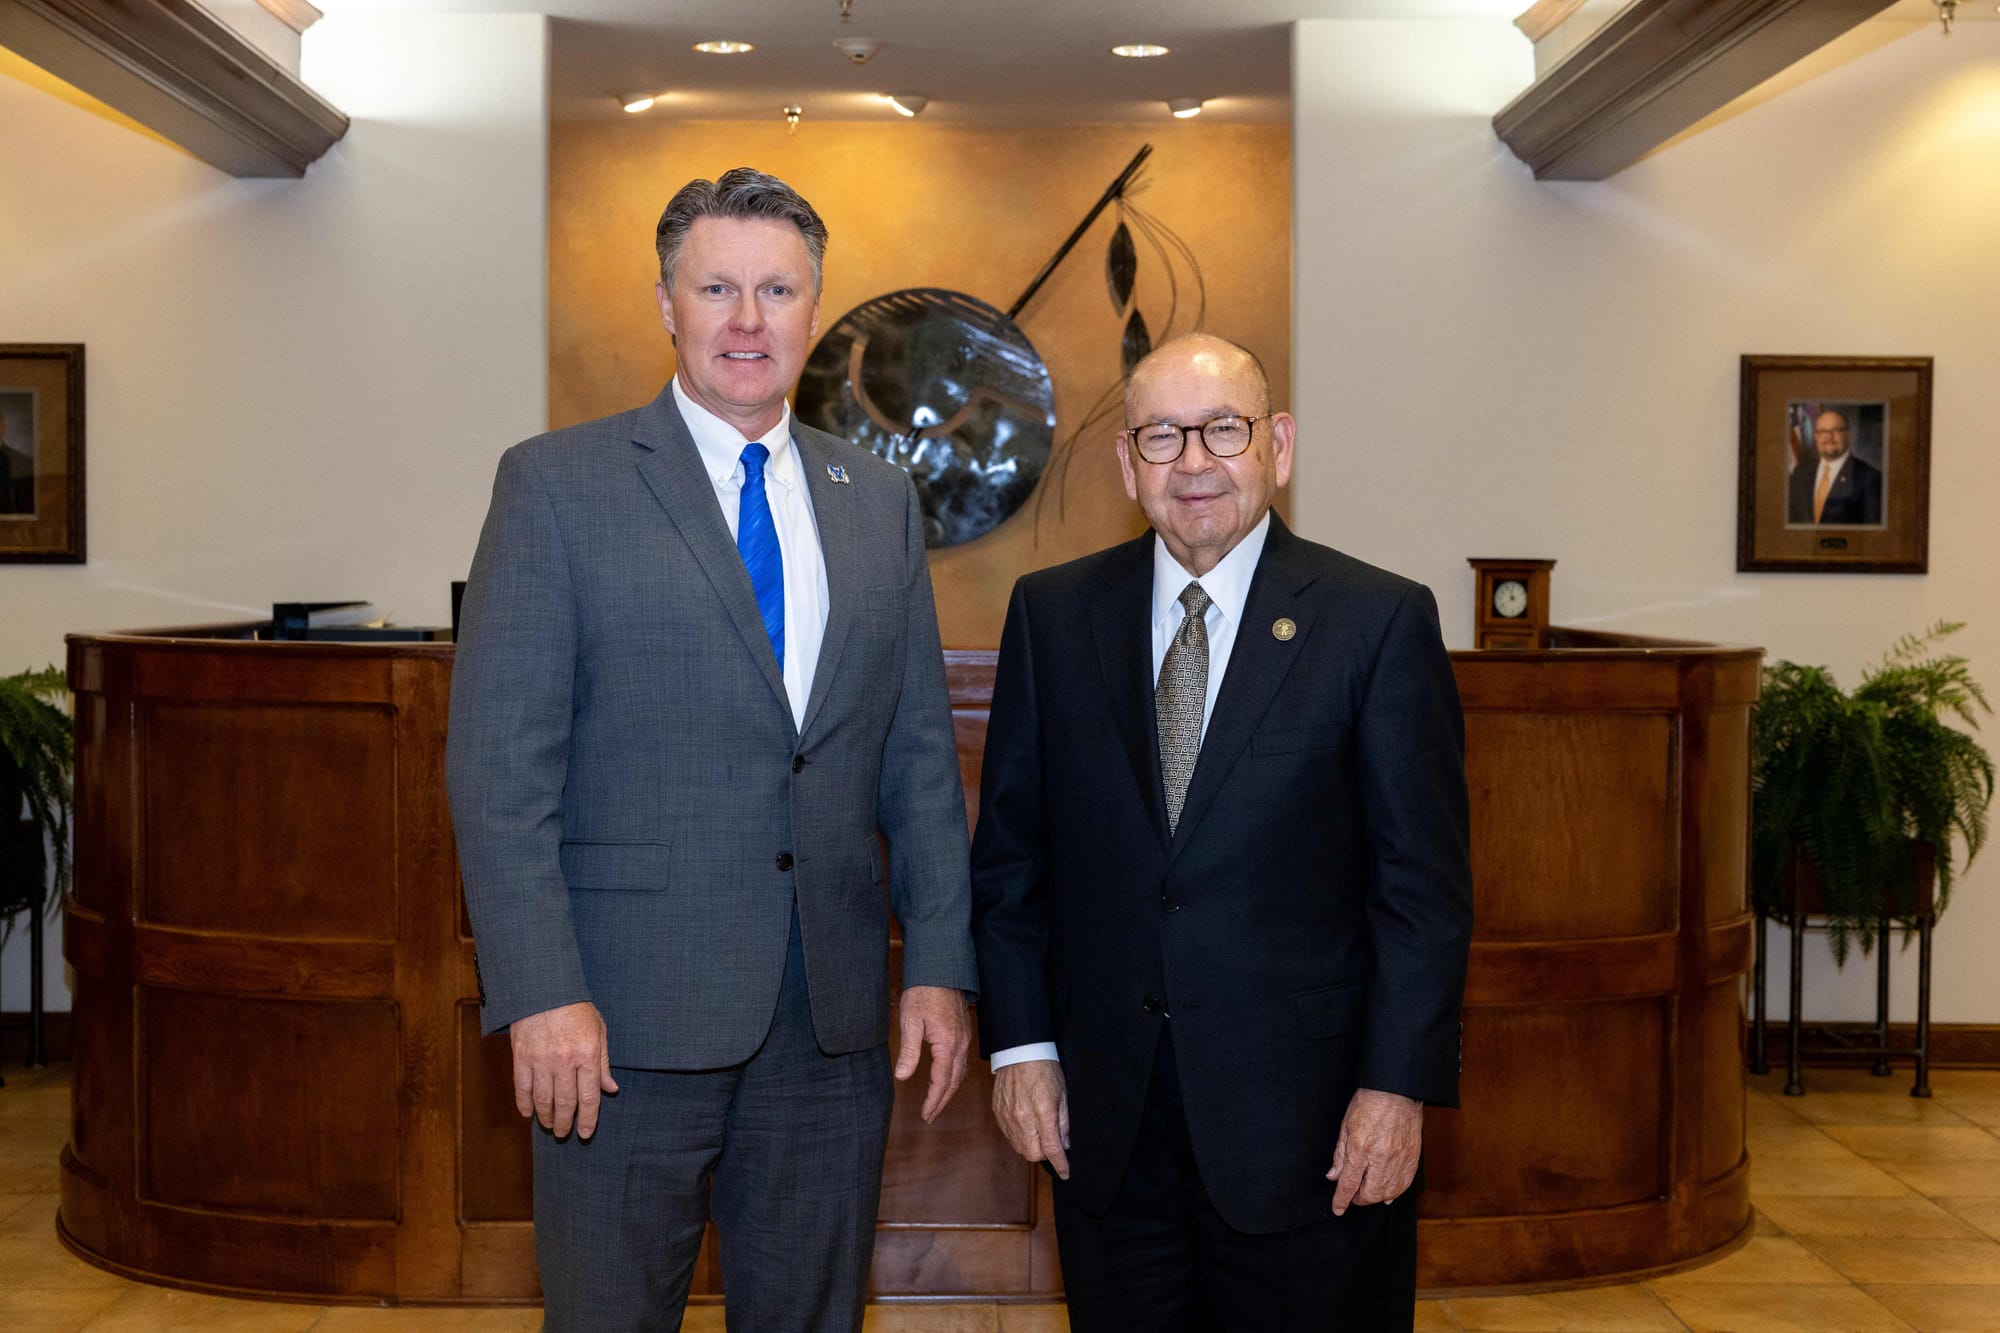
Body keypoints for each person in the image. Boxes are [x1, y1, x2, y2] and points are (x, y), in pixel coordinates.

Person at [447, 167, 977, 1333]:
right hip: (616, 1026)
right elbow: (498, 775)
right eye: (716, 288)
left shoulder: (874, 499)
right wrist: (541, 992)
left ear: (814, 308)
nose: (747, 319)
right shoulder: (556, 485)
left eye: (776, 290)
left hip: (827, 1027)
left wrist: (939, 963)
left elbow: (916, 762)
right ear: (665, 303)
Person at [969, 333, 1473, 1330]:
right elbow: (1012, 862)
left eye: (1223, 430)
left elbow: (1421, 893)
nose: (1193, 461)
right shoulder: (1052, 617)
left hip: (1314, 1137)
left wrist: (1394, 1088)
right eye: (1161, 435)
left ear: (1277, 446)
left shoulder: (1376, 622)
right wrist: (1019, 1046)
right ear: (1128, 465)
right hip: (1106, 1129)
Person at [1787, 407, 1883, 526]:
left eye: (1836, 430)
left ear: (1848, 435)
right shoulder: (1800, 473)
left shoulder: (1870, 477)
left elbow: (1871, 531)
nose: (1829, 437)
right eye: (1822, 431)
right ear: (1816, 436)